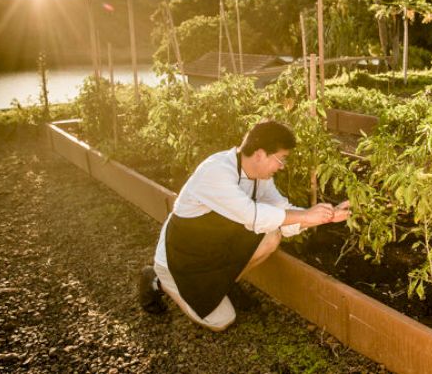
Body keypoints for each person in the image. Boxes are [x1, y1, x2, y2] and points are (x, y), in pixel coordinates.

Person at [139, 120, 350, 331]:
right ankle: (158, 280)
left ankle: (224, 285)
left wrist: (326, 216)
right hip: (182, 259)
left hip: (213, 248)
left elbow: (281, 213)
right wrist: (306, 215)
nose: (282, 166)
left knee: (271, 237)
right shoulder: (216, 171)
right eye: (281, 159)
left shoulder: (260, 177)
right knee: (221, 322)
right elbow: (252, 215)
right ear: (260, 154)